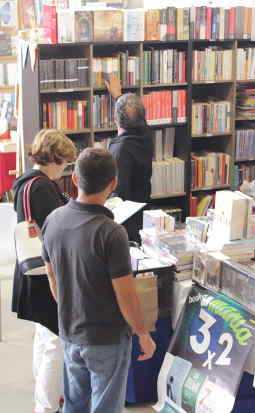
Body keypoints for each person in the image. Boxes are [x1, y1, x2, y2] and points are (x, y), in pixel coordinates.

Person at [41, 148, 156, 413]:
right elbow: (125, 295)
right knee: (105, 406)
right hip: (107, 338)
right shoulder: (111, 233)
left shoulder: (53, 221)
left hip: (70, 330)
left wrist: (71, 308)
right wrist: (142, 333)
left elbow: (51, 275)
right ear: (113, 184)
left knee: (74, 404)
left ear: (74, 179)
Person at [11, 129, 77, 413]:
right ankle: (47, 405)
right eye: (65, 164)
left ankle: (44, 398)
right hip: (44, 274)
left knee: (44, 337)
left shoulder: (27, 183)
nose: (65, 170)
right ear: (55, 159)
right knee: (55, 343)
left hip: (31, 271)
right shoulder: (41, 187)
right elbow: (56, 230)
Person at [105, 75, 154, 241]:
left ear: (115, 119)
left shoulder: (120, 151)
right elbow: (134, 116)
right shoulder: (146, 136)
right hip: (143, 213)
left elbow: (118, 194)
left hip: (125, 223)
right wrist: (118, 97)